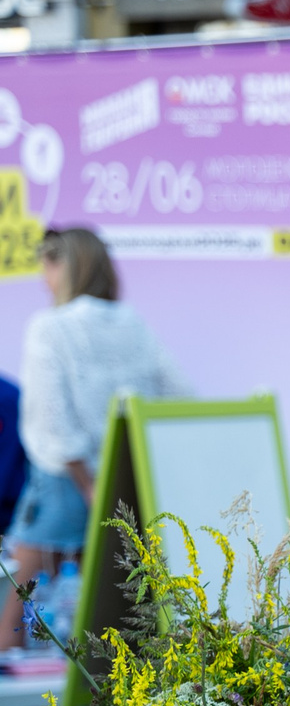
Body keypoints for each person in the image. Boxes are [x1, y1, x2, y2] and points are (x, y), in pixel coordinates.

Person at [6, 228, 184, 618]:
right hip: (124, 477)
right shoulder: (131, 323)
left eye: (46, 268)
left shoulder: (50, 327)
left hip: (65, 480)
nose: (42, 280)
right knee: (116, 613)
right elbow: (174, 394)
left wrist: (89, 485)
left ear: (64, 267)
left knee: (12, 599)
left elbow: (51, 418)